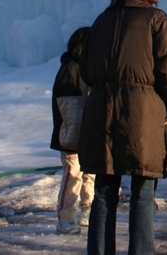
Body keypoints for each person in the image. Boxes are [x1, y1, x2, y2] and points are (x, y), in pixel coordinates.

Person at [79, 0, 167, 255]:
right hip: (142, 116)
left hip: (101, 113)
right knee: (142, 191)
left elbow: (86, 71)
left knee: (104, 191)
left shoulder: (101, 21)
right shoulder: (156, 20)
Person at [50, 26, 95, 235]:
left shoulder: (83, 68)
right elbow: (67, 106)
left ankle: (88, 211)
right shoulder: (72, 69)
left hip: (84, 134)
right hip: (72, 136)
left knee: (89, 175)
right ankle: (66, 219)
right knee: (73, 176)